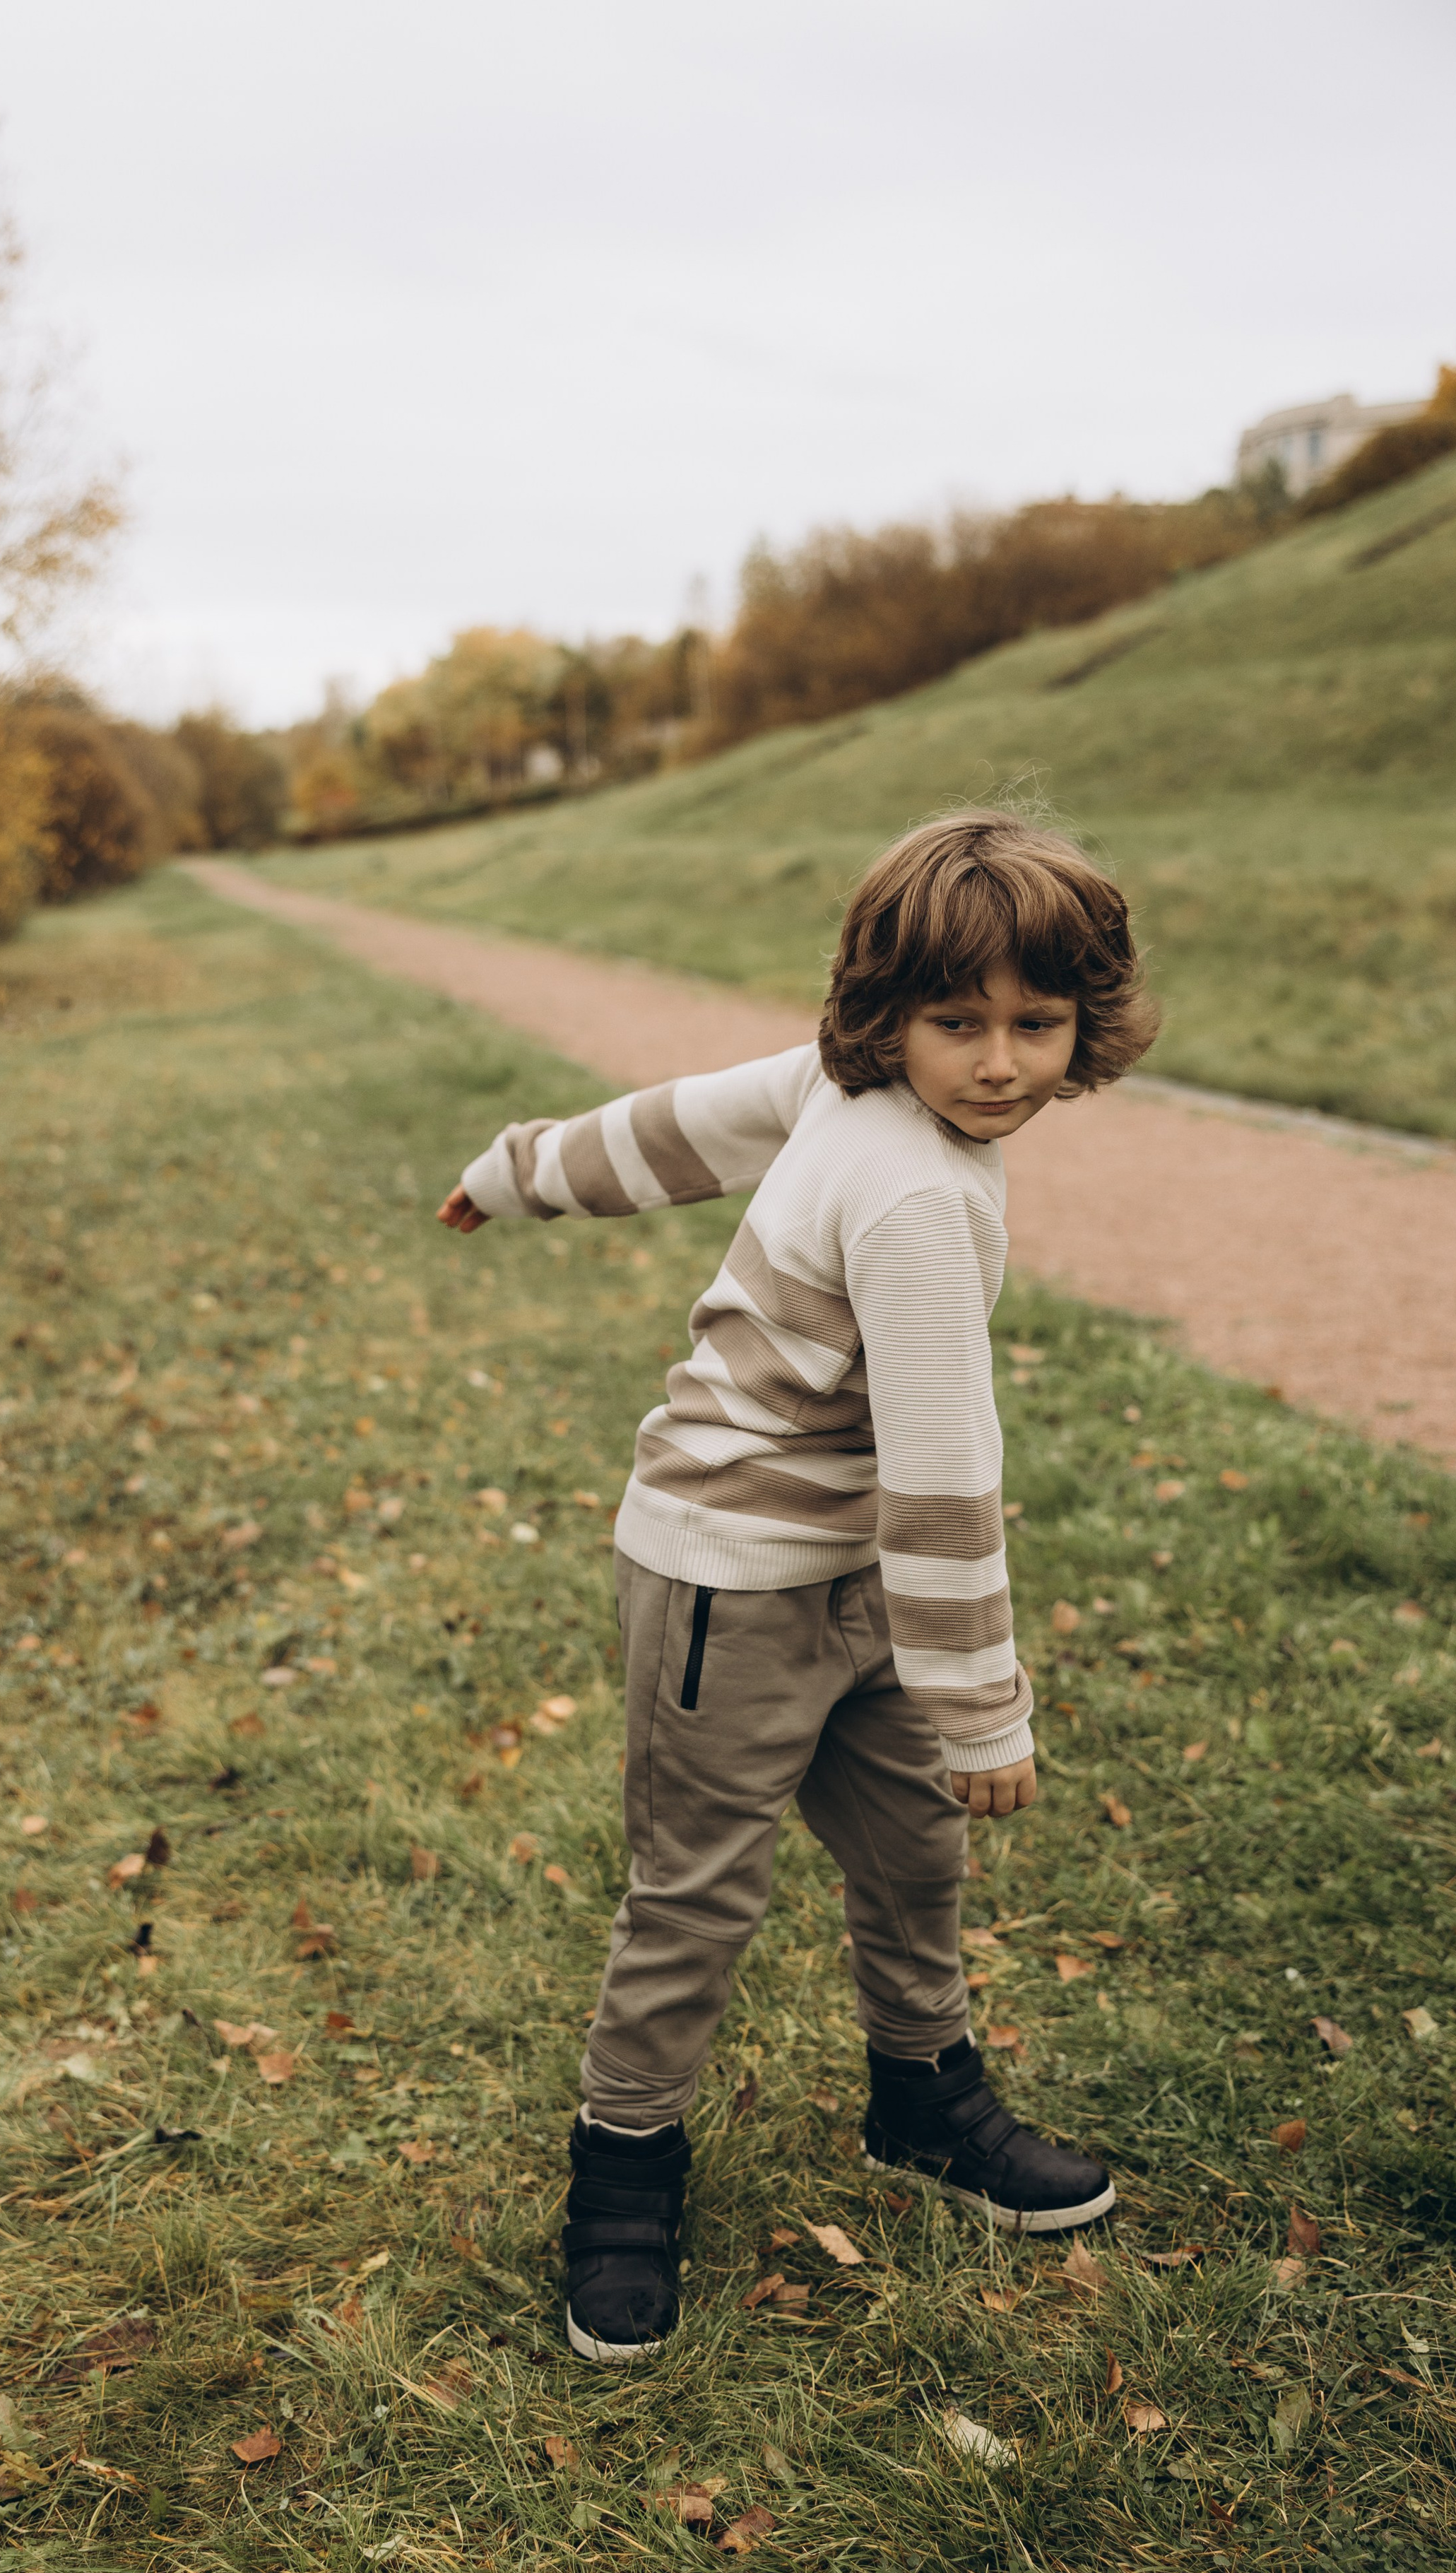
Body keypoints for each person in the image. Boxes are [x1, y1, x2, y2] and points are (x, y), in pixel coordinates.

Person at [436, 808, 1159, 2363]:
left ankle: (922, 2097)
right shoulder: (903, 1182)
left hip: (857, 1587)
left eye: (1037, 1025)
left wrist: (515, 1176)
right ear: (879, 1015)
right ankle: (622, 2181)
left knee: (910, 1858)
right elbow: (940, 1476)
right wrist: (986, 1712)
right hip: (731, 1584)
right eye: (954, 1023)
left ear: (1081, 1024)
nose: (997, 1064)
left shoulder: (885, 1105)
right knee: (695, 1897)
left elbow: (669, 1130)